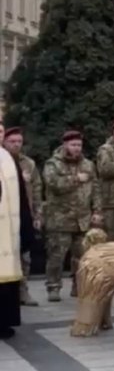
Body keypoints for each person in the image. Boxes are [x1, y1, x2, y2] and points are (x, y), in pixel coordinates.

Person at [43, 130, 102, 302]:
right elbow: (53, 184)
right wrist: (75, 179)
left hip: (82, 219)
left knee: (82, 256)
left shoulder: (88, 165)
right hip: (60, 219)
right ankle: (53, 287)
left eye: (79, 145)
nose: (77, 148)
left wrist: (97, 210)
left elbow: (96, 189)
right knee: (57, 256)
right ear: (65, 145)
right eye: (73, 145)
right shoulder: (53, 164)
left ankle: (79, 285)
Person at [0, 122, 34, 339]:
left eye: (1, 130)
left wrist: (26, 227)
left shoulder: (7, 158)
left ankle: (3, 322)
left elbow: (21, 196)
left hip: (7, 230)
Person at [3, 126, 42, 306]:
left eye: (19, 141)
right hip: (4, 217)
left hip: (22, 215)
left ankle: (23, 291)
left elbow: (36, 190)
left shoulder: (28, 164)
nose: (16, 145)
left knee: (24, 257)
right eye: (13, 141)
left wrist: (37, 214)